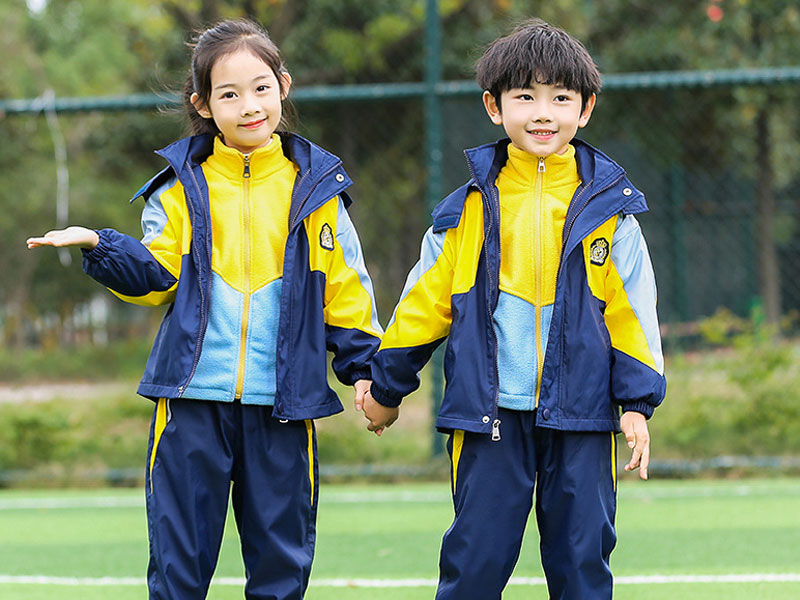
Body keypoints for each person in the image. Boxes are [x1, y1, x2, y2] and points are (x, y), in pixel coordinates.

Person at [27, 19, 382, 600]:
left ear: (284, 86)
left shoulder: (317, 190)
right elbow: (157, 278)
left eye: (261, 88)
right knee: (178, 570)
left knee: (281, 569)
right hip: (189, 407)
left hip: (283, 409)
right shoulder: (177, 188)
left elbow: (345, 292)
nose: (250, 106)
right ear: (203, 104)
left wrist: (365, 371)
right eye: (230, 94)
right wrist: (100, 245)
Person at [362, 18, 666, 599]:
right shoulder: (462, 214)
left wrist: (636, 402)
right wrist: (385, 389)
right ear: (494, 106)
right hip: (488, 415)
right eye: (525, 96)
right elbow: (422, 307)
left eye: (561, 98)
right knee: (475, 561)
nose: (543, 113)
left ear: (586, 108)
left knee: (582, 563)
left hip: (582, 417)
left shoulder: (614, 216)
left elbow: (633, 315)